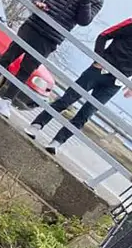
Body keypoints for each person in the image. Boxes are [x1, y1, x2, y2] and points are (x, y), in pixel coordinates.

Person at [0, 0, 106, 116]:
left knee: (27, 69)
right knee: (8, 56)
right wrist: (38, 2)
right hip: (33, 26)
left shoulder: (97, 1)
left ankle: (6, 100)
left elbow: (83, 21)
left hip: (51, 38)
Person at [25, 17, 132, 154]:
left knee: (86, 114)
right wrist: (99, 59)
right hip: (99, 70)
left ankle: (57, 142)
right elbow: (104, 35)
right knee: (67, 100)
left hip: (116, 83)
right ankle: (37, 125)